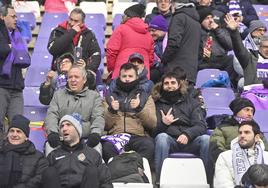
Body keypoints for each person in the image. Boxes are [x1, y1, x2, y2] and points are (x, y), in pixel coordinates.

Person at [153, 70, 209, 181]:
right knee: (161, 138)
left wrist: (187, 134)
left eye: (173, 83)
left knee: (206, 139)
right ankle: (160, 180)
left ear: (179, 85)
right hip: (170, 140)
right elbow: (153, 132)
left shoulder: (192, 102)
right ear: (162, 85)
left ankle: (207, 179)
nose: (170, 86)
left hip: (190, 140)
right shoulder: (156, 104)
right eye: (166, 83)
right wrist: (164, 124)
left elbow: (201, 125)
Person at [102, 63, 157, 164]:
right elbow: (104, 125)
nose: (127, 79)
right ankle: (119, 172)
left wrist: (139, 109)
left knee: (149, 145)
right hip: (116, 136)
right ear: (119, 77)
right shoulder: (110, 97)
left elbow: (152, 124)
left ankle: (136, 171)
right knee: (106, 147)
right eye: (124, 76)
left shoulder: (145, 96)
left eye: (130, 76)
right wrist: (112, 111)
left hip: (137, 136)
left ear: (137, 77)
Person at [42, 113, 113, 188]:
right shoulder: (53, 155)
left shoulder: (93, 155)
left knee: (92, 170)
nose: (64, 129)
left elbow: (106, 182)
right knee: (49, 172)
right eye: (62, 126)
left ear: (77, 129)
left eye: (68, 125)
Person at [208, 97, 268, 185]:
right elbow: (216, 149)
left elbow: (265, 150)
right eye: (247, 110)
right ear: (237, 111)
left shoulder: (256, 131)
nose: (250, 114)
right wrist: (236, 160)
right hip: (231, 165)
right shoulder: (222, 127)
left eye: (252, 111)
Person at [45, 66, 104, 153]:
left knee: (97, 146)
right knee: (49, 146)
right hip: (62, 138)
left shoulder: (94, 96)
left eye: (76, 77)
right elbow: (51, 115)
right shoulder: (58, 95)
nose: (73, 80)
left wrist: (95, 134)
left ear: (84, 80)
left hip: (86, 139)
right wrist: (52, 133)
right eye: (70, 77)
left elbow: (98, 117)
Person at [0, 5, 30, 134]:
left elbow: (26, 59)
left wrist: (11, 47)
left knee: (17, 127)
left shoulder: (17, 36)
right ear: (2, 17)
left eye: (16, 16)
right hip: (1, 86)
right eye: (12, 16)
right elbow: (4, 50)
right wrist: (9, 47)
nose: (16, 19)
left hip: (17, 88)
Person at [214, 120, 268, 188]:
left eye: (247, 132)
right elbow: (222, 184)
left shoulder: (266, 156)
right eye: (240, 133)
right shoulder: (225, 157)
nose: (242, 135)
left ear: (257, 137)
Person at [106, 4, 154, 80]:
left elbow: (112, 51)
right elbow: (151, 58)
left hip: (123, 73)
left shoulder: (120, 29)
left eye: (124, 15)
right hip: (143, 76)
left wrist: (112, 68)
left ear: (128, 16)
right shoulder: (148, 33)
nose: (122, 17)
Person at [47, 8, 101, 74]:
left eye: (76, 21)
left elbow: (96, 54)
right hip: (60, 72)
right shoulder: (58, 31)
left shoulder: (89, 34)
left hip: (81, 73)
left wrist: (87, 67)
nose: (72, 23)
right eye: (71, 19)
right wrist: (72, 32)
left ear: (82, 23)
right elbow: (53, 49)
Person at [0, 115, 48, 188]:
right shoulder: (1, 152)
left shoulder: (38, 157)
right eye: (11, 131)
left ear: (26, 136)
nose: (14, 134)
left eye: (19, 132)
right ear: (7, 134)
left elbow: (40, 179)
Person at [161, 0, 201, 85]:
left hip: (175, 71)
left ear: (175, 5)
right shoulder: (197, 22)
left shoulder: (178, 17)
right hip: (191, 72)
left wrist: (164, 59)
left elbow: (174, 43)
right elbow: (200, 49)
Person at [225, 13, 268, 86]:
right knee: (242, 82)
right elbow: (239, 52)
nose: (262, 33)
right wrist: (234, 31)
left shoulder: (264, 44)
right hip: (248, 78)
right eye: (259, 30)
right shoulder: (244, 48)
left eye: (264, 31)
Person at [148, 15, 168, 83]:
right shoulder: (150, 41)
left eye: (153, 31)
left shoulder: (169, 42)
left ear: (163, 30)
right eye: (149, 31)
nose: (151, 33)